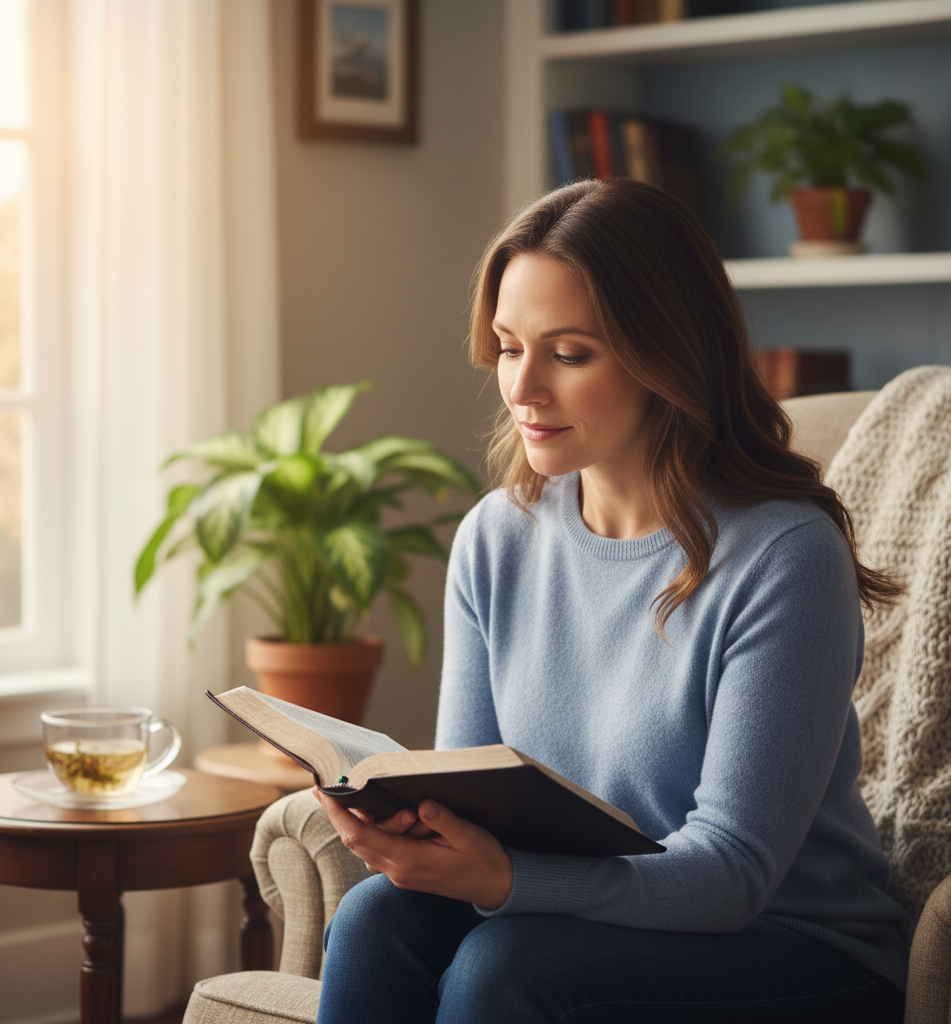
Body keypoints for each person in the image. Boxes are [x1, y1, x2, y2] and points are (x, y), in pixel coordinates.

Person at [312, 178, 908, 1023]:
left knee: (503, 971)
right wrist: (415, 827)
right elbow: (473, 791)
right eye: (511, 347)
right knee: (378, 919)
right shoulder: (497, 539)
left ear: (668, 354)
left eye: (570, 353)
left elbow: (733, 872)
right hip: (582, 917)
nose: (523, 389)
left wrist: (507, 880)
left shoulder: (784, 557)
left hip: (795, 948)